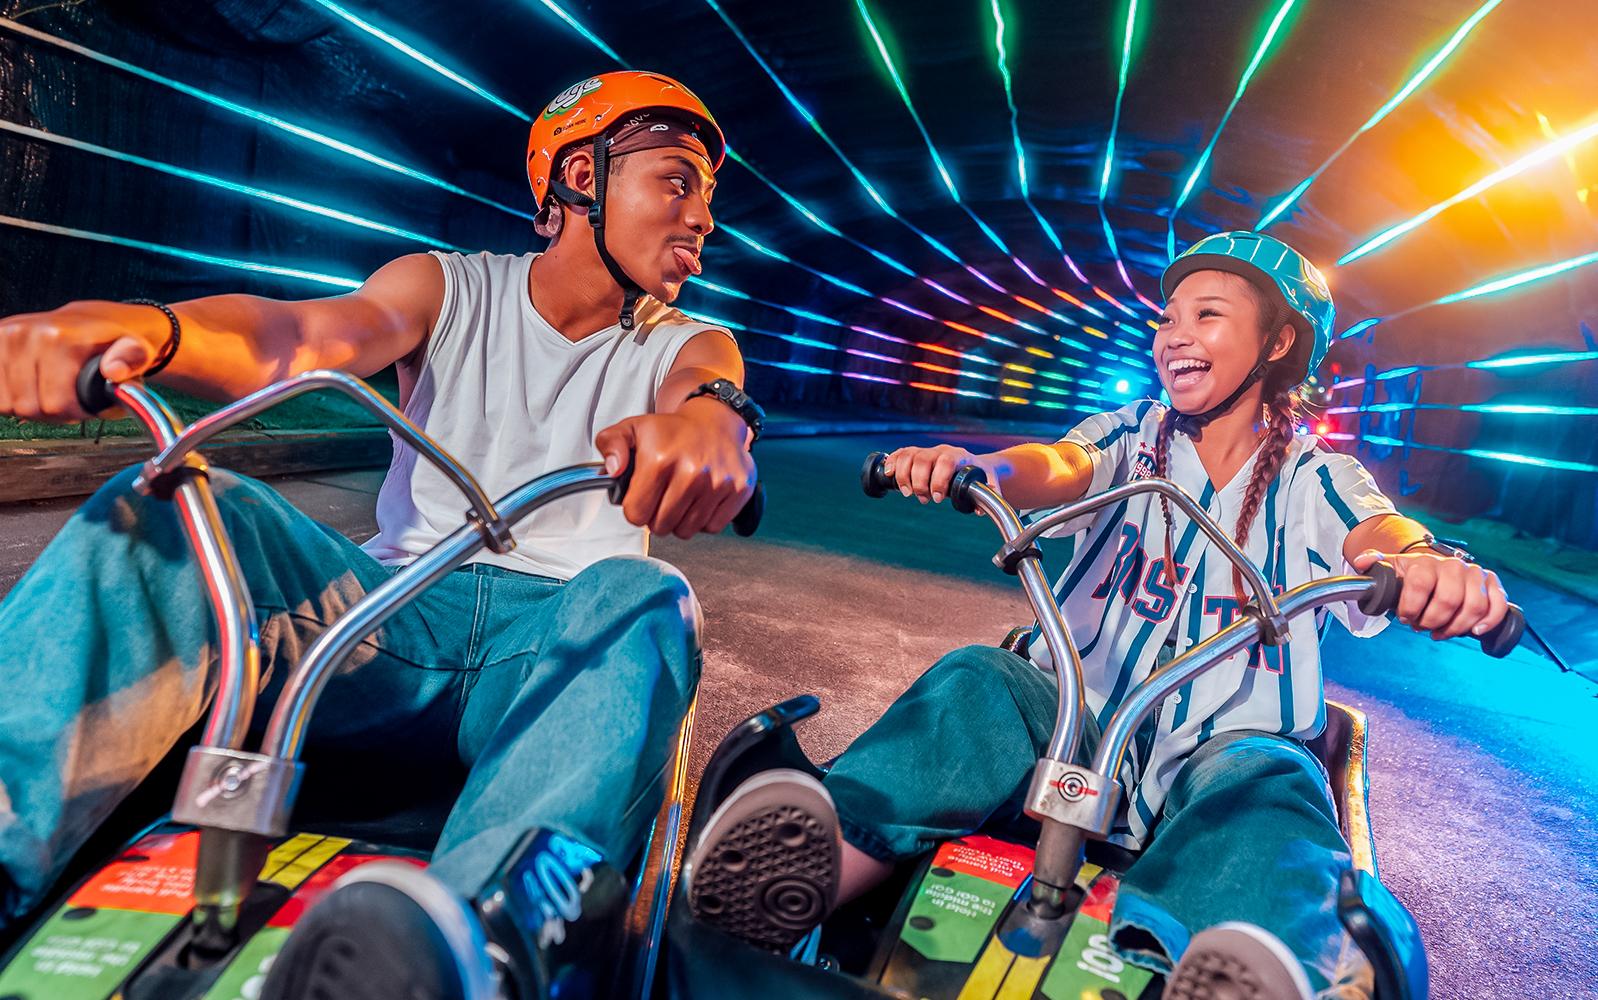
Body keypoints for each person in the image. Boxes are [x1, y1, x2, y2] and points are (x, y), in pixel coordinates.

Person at [0, 71, 758, 997]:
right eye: (677, 181)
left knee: (649, 598)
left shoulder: (689, 342)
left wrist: (707, 429)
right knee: (171, 498)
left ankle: (472, 949)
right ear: (579, 178)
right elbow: (299, 336)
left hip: (555, 644)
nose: (703, 220)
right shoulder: (447, 286)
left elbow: (711, 399)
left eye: (709, 196)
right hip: (385, 619)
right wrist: (145, 332)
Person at [685, 232, 1508, 1000]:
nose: (1173, 335)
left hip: (1219, 753)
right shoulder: (1128, 437)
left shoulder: (1311, 474)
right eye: (1169, 318)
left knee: (1270, 791)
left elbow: (1377, 530)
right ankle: (813, 866)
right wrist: (981, 467)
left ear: (1279, 344)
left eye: (1207, 316)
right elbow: (1060, 464)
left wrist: (1424, 562)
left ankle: (1251, 958)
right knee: (980, 680)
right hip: (1071, 721)